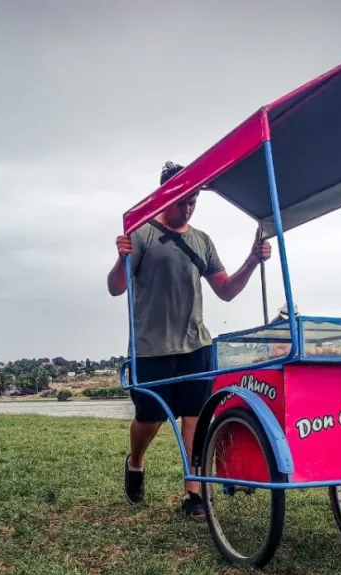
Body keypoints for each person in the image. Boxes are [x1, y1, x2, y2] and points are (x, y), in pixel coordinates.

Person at [106, 160, 272, 519]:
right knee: (150, 419)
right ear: (165, 196)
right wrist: (121, 259)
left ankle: (192, 493)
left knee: (194, 419)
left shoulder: (202, 241)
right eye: (182, 200)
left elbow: (226, 291)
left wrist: (251, 260)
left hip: (195, 344)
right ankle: (135, 461)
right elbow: (116, 288)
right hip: (151, 347)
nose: (188, 207)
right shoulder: (141, 233)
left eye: (193, 201)